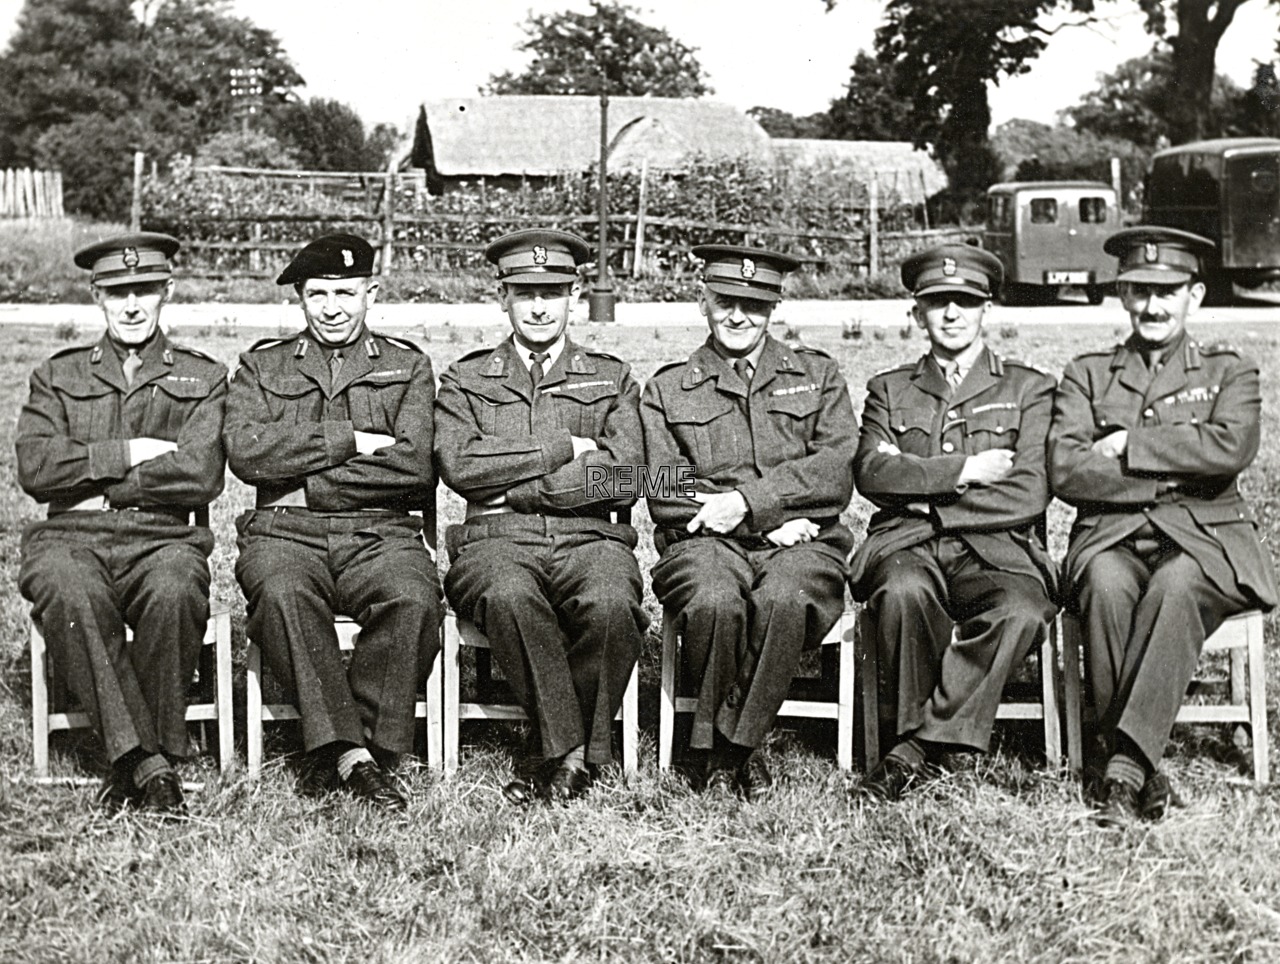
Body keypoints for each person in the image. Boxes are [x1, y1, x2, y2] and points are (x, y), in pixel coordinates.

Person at [1049, 226, 1277, 827]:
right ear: (1122, 296)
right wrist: (1177, 468)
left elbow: (1231, 448)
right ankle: (1144, 766)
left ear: (1194, 297)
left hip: (1205, 539)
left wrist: (1127, 446)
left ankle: (1120, 764)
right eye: (1139, 291)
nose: (1152, 306)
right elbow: (1067, 471)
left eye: (1167, 292)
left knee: (1176, 586)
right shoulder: (1087, 373)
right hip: (1112, 537)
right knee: (1103, 581)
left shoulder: (1232, 371)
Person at [224, 233, 442, 811]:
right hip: (285, 534)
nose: (332, 307)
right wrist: (351, 440)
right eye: (317, 293)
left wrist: (306, 480)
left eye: (346, 292)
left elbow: (416, 467)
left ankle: (363, 743)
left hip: (381, 533)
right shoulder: (262, 364)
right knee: (281, 592)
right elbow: (247, 453)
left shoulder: (407, 365)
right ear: (300, 297)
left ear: (371, 292)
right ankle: (354, 754)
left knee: (413, 598)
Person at [17, 232, 227, 815]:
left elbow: (200, 474)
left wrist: (91, 475)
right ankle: (150, 762)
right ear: (96, 296)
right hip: (69, 536)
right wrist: (132, 450)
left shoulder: (201, 377)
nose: (132, 305)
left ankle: (129, 758)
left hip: (162, 536)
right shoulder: (56, 376)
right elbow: (36, 468)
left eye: (144, 290)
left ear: (167, 292)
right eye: (117, 292)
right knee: (68, 587)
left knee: (176, 589)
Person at [435, 228, 647, 804]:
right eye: (523, 292)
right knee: (507, 596)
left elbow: (628, 475)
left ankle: (558, 750)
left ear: (574, 296)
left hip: (591, 537)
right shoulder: (466, 378)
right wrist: (566, 448)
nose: (537, 306)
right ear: (501, 296)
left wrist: (525, 491)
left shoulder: (613, 376)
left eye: (551, 292)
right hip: (494, 540)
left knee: (612, 601)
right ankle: (575, 753)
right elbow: (461, 466)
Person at [641, 244, 856, 801]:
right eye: (724, 301)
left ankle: (724, 748)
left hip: (805, 542)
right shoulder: (667, 388)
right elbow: (663, 484)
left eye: (754, 305)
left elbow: (834, 470)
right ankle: (739, 745)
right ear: (701, 302)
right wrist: (752, 520)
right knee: (713, 600)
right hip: (705, 541)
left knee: (787, 597)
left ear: (775, 307)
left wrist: (750, 501)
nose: (738, 316)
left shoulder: (817, 375)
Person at [847, 244, 1058, 802]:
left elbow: (1029, 490)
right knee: (901, 591)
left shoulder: (1028, 388)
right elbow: (872, 473)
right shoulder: (889, 389)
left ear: (987, 309)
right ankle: (954, 746)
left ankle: (914, 747)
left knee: (1021, 610)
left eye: (966, 301)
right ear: (917, 312)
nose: (952, 313)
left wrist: (927, 496)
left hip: (998, 546)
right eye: (937, 302)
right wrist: (966, 469)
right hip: (908, 543)